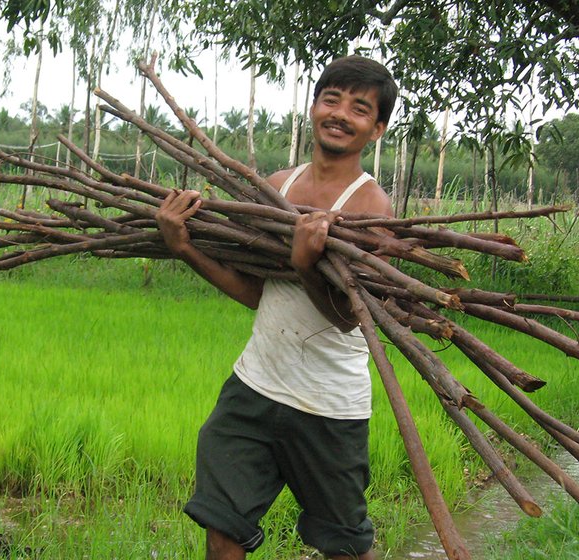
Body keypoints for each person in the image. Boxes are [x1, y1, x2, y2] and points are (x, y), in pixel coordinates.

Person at [155, 55, 398, 560]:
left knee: (345, 547)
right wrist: (184, 247)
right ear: (313, 107)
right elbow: (256, 293)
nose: (339, 114)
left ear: (376, 130)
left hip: (328, 406)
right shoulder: (278, 185)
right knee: (222, 528)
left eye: (358, 108)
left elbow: (350, 318)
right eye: (331, 99)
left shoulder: (372, 208)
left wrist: (308, 265)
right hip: (255, 387)